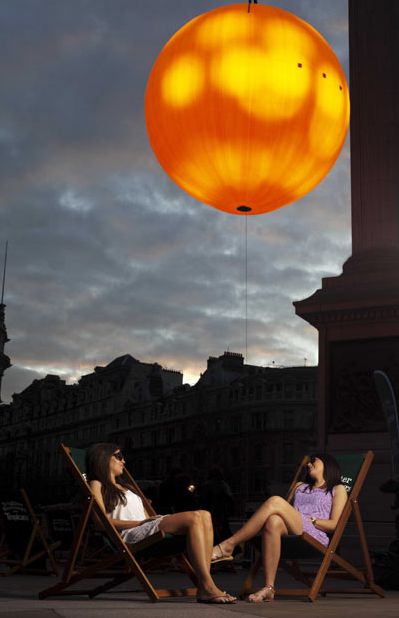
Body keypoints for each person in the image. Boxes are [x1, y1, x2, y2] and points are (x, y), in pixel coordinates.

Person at [86, 443, 236, 604]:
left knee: (205, 515)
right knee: (195, 517)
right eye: (119, 456)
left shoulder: (126, 486)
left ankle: (206, 584)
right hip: (131, 535)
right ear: (104, 458)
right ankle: (207, 585)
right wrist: (141, 522)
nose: (124, 461)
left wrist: (148, 518)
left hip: (146, 527)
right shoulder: (97, 484)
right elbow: (101, 523)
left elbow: (145, 517)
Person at [211, 453, 347, 603]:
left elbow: (334, 525)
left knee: (275, 500)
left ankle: (229, 545)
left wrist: (311, 520)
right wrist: (294, 517)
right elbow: (282, 512)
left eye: (313, 461)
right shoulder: (299, 487)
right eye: (308, 463)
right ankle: (269, 588)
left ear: (327, 464)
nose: (308, 465)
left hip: (315, 535)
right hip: (294, 529)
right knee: (273, 521)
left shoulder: (337, 489)